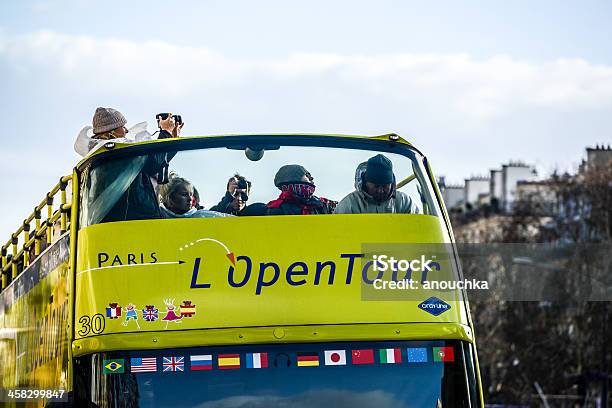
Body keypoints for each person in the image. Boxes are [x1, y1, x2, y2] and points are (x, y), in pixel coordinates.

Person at [81, 107, 182, 225]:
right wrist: (165, 132)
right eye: (123, 127)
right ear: (111, 132)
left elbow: (153, 162)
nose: (127, 131)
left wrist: (173, 139)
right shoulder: (114, 152)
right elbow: (153, 164)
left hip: (126, 219)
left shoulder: (101, 153)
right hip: (133, 219)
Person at [335, 154, 420, 214]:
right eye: (376, 186)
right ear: (366, 183)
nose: (380, 190)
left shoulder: (404, 202)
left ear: (391, 183)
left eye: (385, 186)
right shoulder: (349, 205)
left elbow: (418, 226)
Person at [264, 165, 336, 215]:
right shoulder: (275, 208)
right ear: (293, 178)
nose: (312, 178)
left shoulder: (324, 205)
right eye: (307, 175)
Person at [158, 174, 231, 218]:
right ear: (170, 197)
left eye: (191, 195)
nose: (190, 199)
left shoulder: (202, 216)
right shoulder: (155, 216)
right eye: (184, 194)